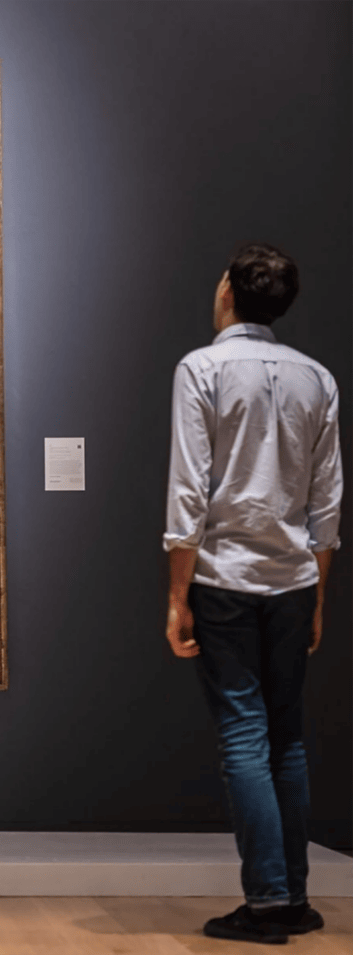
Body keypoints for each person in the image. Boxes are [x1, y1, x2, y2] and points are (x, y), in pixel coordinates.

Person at [163, 243, 342, 944]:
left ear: (229, 293)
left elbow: (189, 493)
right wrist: (320, 596)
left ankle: (268, 899)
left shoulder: (201, 368)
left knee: (243, 733)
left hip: (225, 577)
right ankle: (293, 893)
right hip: (293, 579)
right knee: (287, 736)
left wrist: (178, 596)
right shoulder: (317, 377)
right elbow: (327, 505)